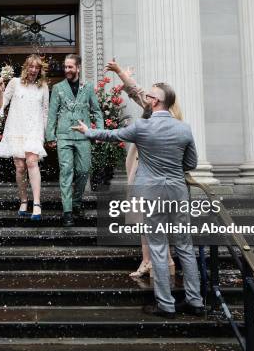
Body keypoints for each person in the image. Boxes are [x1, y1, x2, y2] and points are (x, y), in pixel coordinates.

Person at [72, 82, 204, 319]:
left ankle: (166, 305)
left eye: (149, 96)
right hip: (177, 190)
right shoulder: (184, 129)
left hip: (153, 191)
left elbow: (111, 135)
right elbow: (191, 163)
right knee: (185, 246)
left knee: (158, 247)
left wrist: (87, 131)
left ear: (154, 102)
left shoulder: (142, 127)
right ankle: (195, 301)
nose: (146, 98)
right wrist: (172, 170)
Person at [105, 59, 179, 278]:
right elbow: (135, 90)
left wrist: (120, 72)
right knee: (142, 219)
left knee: (156, 220)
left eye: (153, 94)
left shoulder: (169, 118)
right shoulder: (152, 107)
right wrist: (121, 72)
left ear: (161, 99)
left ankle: (165, 261)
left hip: (154, 174)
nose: (148, 96)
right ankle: (147, 261)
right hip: (139, 169)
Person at [45, 54, 104, 227]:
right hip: (64, 135)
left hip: (83, 136)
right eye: (65, 67)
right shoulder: (57, 88)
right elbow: (52, 113)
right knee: (66, 171)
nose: (67, 70)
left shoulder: (88, 87)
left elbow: (97, 111)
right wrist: (50, 135)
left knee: (84, 171)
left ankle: (77, 201)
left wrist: (99, 132)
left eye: (70, 67)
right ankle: (68, 211)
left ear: (78, 68)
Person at [0, 54, 49, 220]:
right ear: (25, 68)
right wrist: (0, 92)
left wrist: (43, 135)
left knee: (32, 162)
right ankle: (24, 200)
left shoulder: (43, 86)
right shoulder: (14, 83)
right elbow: (0, 106)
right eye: (31, 67)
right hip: (16, 128)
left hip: (35, 129)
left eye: (37, 68)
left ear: (40, 70)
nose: (33, 70)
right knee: (20, 167)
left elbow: (46, 111)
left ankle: (37, 203)